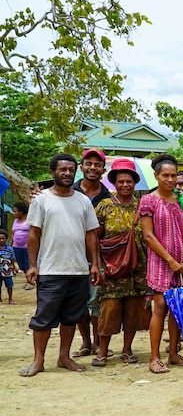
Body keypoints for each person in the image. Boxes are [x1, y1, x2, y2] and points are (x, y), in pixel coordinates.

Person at [20, 153, 103, 377]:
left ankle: (64, 357)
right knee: (44, 318)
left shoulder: (83, 200)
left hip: (78, 270)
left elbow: (91, 235)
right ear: (53, 172)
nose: (67, 173)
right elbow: (33, 235)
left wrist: (94, 264)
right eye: (62, 169)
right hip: (50, 270)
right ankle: (38, 360)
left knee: (71, 318)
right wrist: (32, 265)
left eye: (70, 169)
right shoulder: (42, 199)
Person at [139, 154, 183, 374]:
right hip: (161, 263)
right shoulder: (149, 200)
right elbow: (148, 236)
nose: (170, 180)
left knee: (177, 309)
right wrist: (170, 260)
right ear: (156, 176)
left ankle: (173, 353)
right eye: (165, 175)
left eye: (173, 175)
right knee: (160, 307)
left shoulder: (182, 199)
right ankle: (154, 357)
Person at [93, 158, 151, 367]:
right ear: (114, 183)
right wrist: (96, 264)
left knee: (133, 311)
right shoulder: (105, 206)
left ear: (135, 182)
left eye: (129, 181)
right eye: (121, 181)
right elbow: (94, 238)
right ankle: (103, 350)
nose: (125, 185)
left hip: (139, 268)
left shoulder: (143, 205)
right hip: (113, 269)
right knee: (109, 310)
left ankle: (127, 349)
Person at [71, 149, 111, 360]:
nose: (93, 168)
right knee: (78, 301)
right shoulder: (69, 191)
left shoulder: (108, 198)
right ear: (82, 167)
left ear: (103, 170)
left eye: (97, 165)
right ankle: (85, 342)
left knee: (97, 301)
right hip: (71, 255)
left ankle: (97, 343)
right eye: (89, 163)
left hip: (99, 257)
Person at [11, 202, 35, 290]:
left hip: (27, 247)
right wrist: (11, 245)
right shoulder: (15, 221)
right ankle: (28, 280)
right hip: (16, 247)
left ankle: (31, 282)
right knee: (22, 266)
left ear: (22, 211)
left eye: (16, 211)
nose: (14, 213)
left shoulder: (29, 220)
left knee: (28, 264)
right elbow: (13, 233)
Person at [0, 229, 17, 304]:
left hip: (8, 270)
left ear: (6, 239)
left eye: (3, 238)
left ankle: (10, 298)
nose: (1, 240)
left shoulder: (10, 249)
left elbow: (12, 259)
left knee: (9, 285)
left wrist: (14, 268)